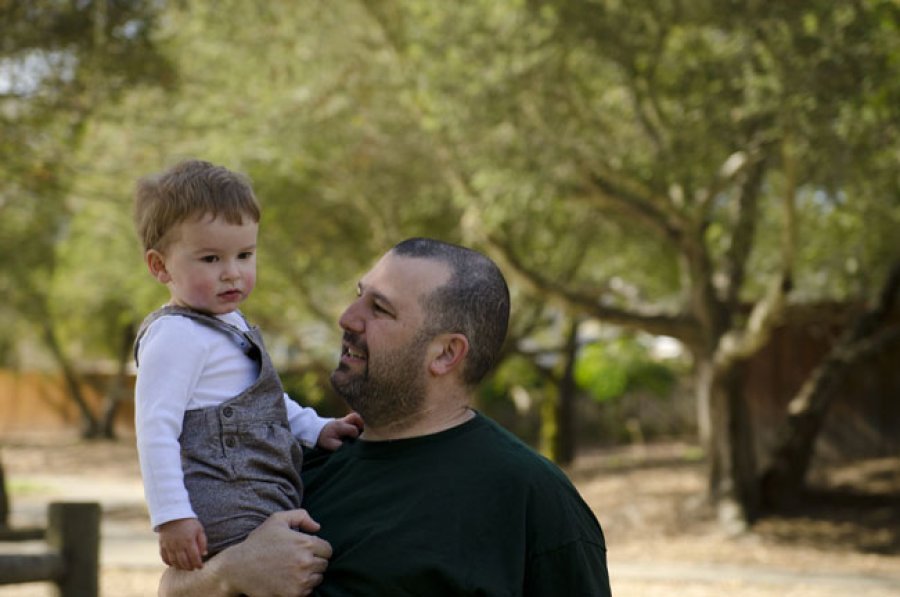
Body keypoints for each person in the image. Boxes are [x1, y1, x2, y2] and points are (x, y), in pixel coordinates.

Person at [159, 237, 612, 596]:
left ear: (446, 353)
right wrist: (230, 573)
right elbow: (173, 587)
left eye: (379, 309)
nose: (347, 318)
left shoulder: (531, 499)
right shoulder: (296, 458)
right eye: (359, 296)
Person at [132, 159, 362, 571]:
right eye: (210, 259)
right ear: (160, 266)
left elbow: (264, 399)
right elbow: (155, 431)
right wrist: (171, 516)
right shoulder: (174, 336)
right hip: (225, 507)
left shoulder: (231, 323)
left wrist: (314, 427)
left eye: (244, 255)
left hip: (265, 493)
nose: (232, 273)